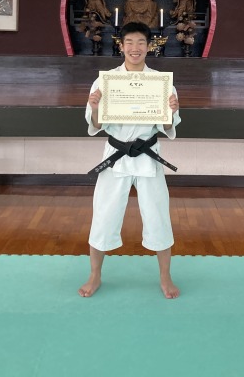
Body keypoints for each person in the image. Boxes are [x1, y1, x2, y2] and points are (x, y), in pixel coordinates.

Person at [78, 21, 181, 299]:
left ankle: (165, 277)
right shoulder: (105, 81)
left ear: (149, 47)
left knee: (158, 214)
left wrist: (171, 112)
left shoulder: (161, 83)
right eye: (130, 42)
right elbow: (96, 125)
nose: (135, 48)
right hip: (115, 156)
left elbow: (167, 127)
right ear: (121, 46)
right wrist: (95, 107)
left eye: (141, 42)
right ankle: (95, 275)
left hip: (148, 154)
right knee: (104, 214)